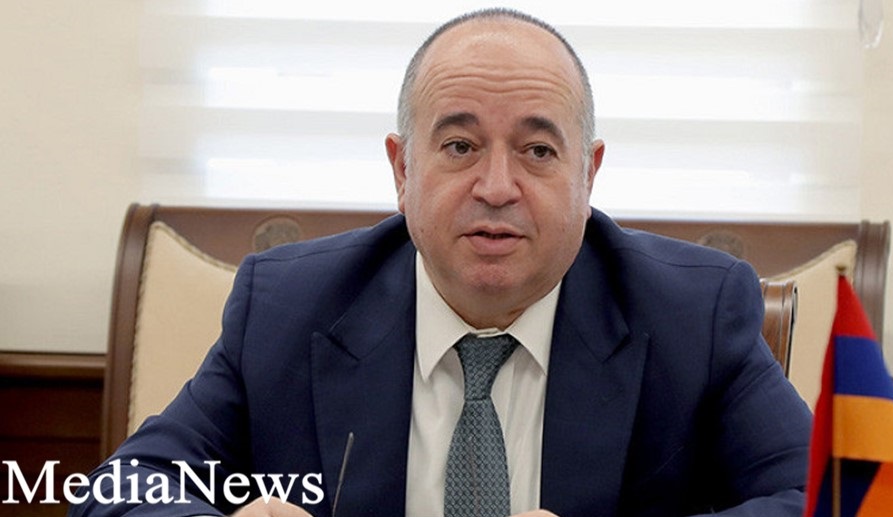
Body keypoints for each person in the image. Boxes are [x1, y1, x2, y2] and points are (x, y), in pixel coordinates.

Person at [70, 8, 811, 517]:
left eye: (538, 150)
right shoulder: (289, 307)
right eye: (459, 146)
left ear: (588, 175)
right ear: (402, 170)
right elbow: (122, 488)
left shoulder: (692, 314)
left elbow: (831, 496)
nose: (497, 187)